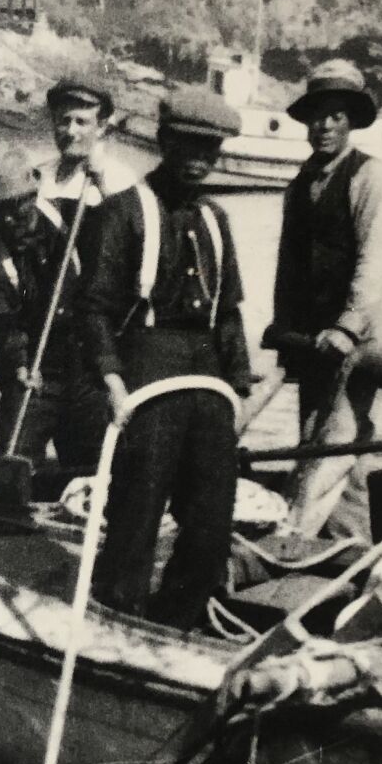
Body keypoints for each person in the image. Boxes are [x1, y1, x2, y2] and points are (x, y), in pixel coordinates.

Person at [77, 87, 254, 629]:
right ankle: (113, 614)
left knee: (211, 518)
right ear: (164, 141)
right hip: (148, 370)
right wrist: (111, 380)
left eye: (211, 149)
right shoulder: (122, 214)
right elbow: (95, 310)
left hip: (209, 379)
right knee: (139, 506)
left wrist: (240, 389)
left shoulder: (216, 221)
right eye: (189, 146)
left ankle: (179, 616)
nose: (199, 160)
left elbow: (229, 315)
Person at [263, 60, 382, 538]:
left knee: (338, 440)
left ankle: (292, 538)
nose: (325, 126)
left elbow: (375, 259)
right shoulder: (301, 183)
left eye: (337, 116)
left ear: (351, 122)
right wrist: (285, 327)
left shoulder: (372, 178)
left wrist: (348, 326)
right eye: (318, 116)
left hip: (364, 331)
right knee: (319, 440)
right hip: (317, 333)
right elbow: (290, 262)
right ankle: (349, 548)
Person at [0, 145, 106, 470]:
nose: (7, 218)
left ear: (33, 195)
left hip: (83, 369)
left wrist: (101, 181)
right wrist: (20, 364)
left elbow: (122, 236)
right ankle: (10, 514)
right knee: (16, 459)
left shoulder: (72, 220)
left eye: (15, 206)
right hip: (32, 369)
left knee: (95, 467)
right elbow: (4, 326)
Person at [37, 69, 135, 225]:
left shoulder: (119, 182)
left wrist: (102, 186)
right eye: (64, 121)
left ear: (101, 127)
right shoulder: (39, 175)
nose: (70, 131)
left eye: (81, 122)